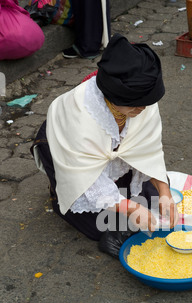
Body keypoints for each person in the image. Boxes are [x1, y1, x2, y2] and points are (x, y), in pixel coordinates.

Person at [31, 33, 179, 258]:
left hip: (109, 153)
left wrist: (164, 190)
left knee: (153, 202)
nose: (143, 110)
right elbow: (88, 178)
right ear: (112, 96)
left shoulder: (143, 100)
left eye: (146, 104)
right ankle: (57, 191)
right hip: (67, 154)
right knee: (103, 223)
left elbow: (148, 149)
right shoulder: (79, 116)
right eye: (136, 106)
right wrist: (130, 208)